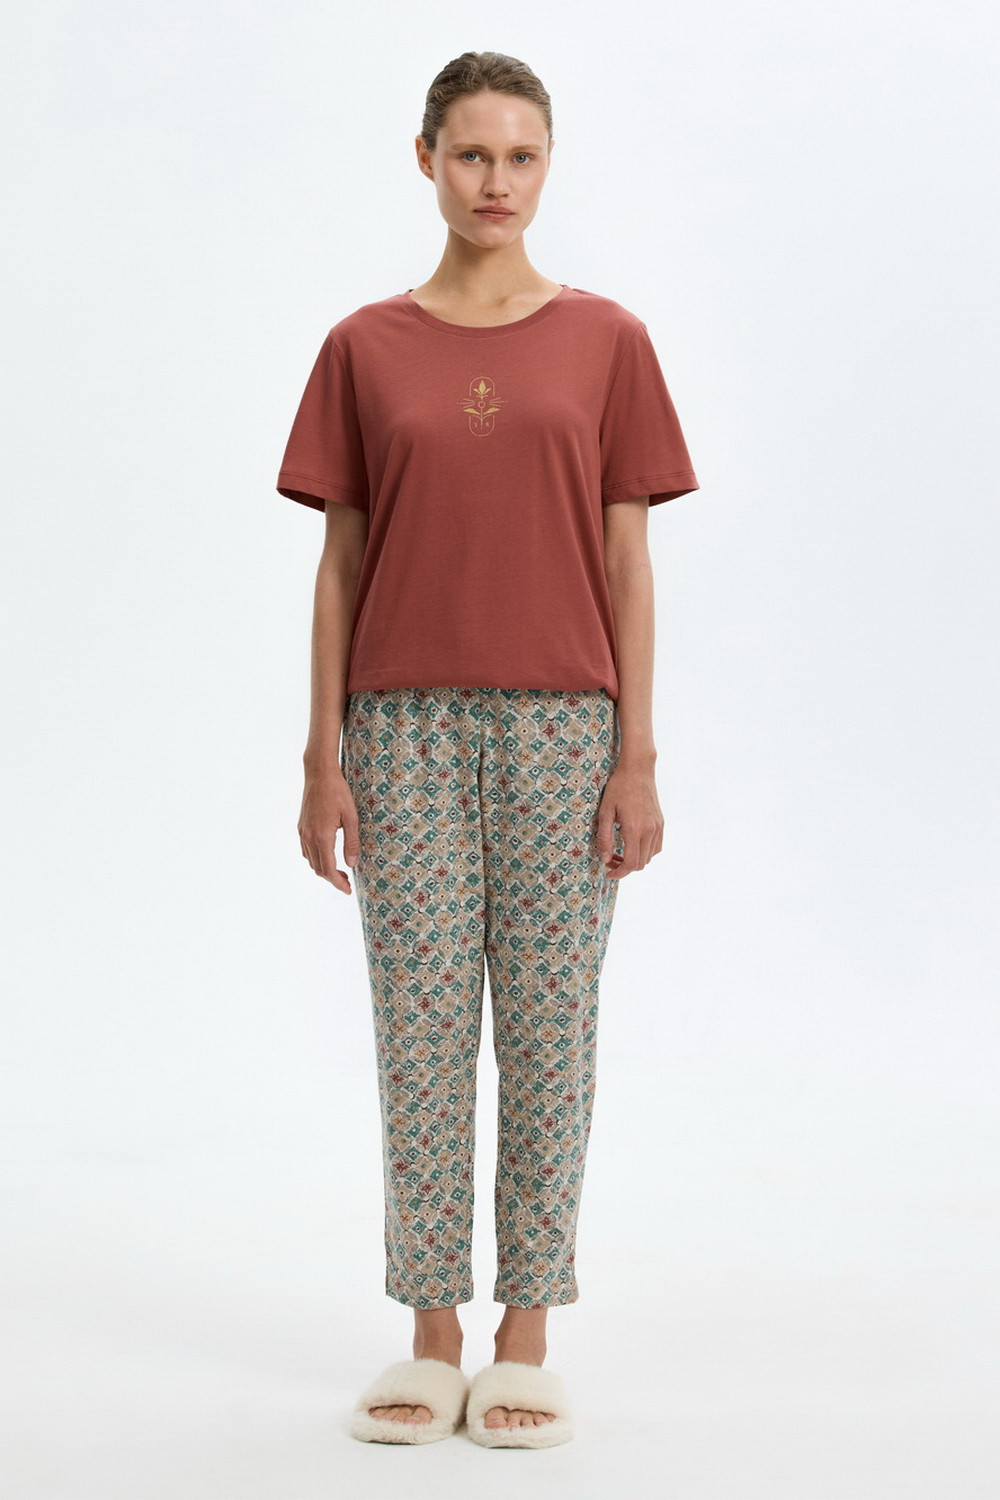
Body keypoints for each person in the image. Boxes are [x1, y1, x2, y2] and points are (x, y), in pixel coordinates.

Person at [275, 50, 700, 1450]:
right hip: (399, 728)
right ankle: (431, 1333)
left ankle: (525, 1334)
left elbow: (630, 565)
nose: (495, 182)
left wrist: (637, 756)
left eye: (521, 156)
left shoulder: (609, 341)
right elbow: (340, 566)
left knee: (551, 1035)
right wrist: (321, 756)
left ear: (548, 165)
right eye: (471, 154)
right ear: (426, 161)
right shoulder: (362, 347)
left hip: (565, 730)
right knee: (419, 1034)